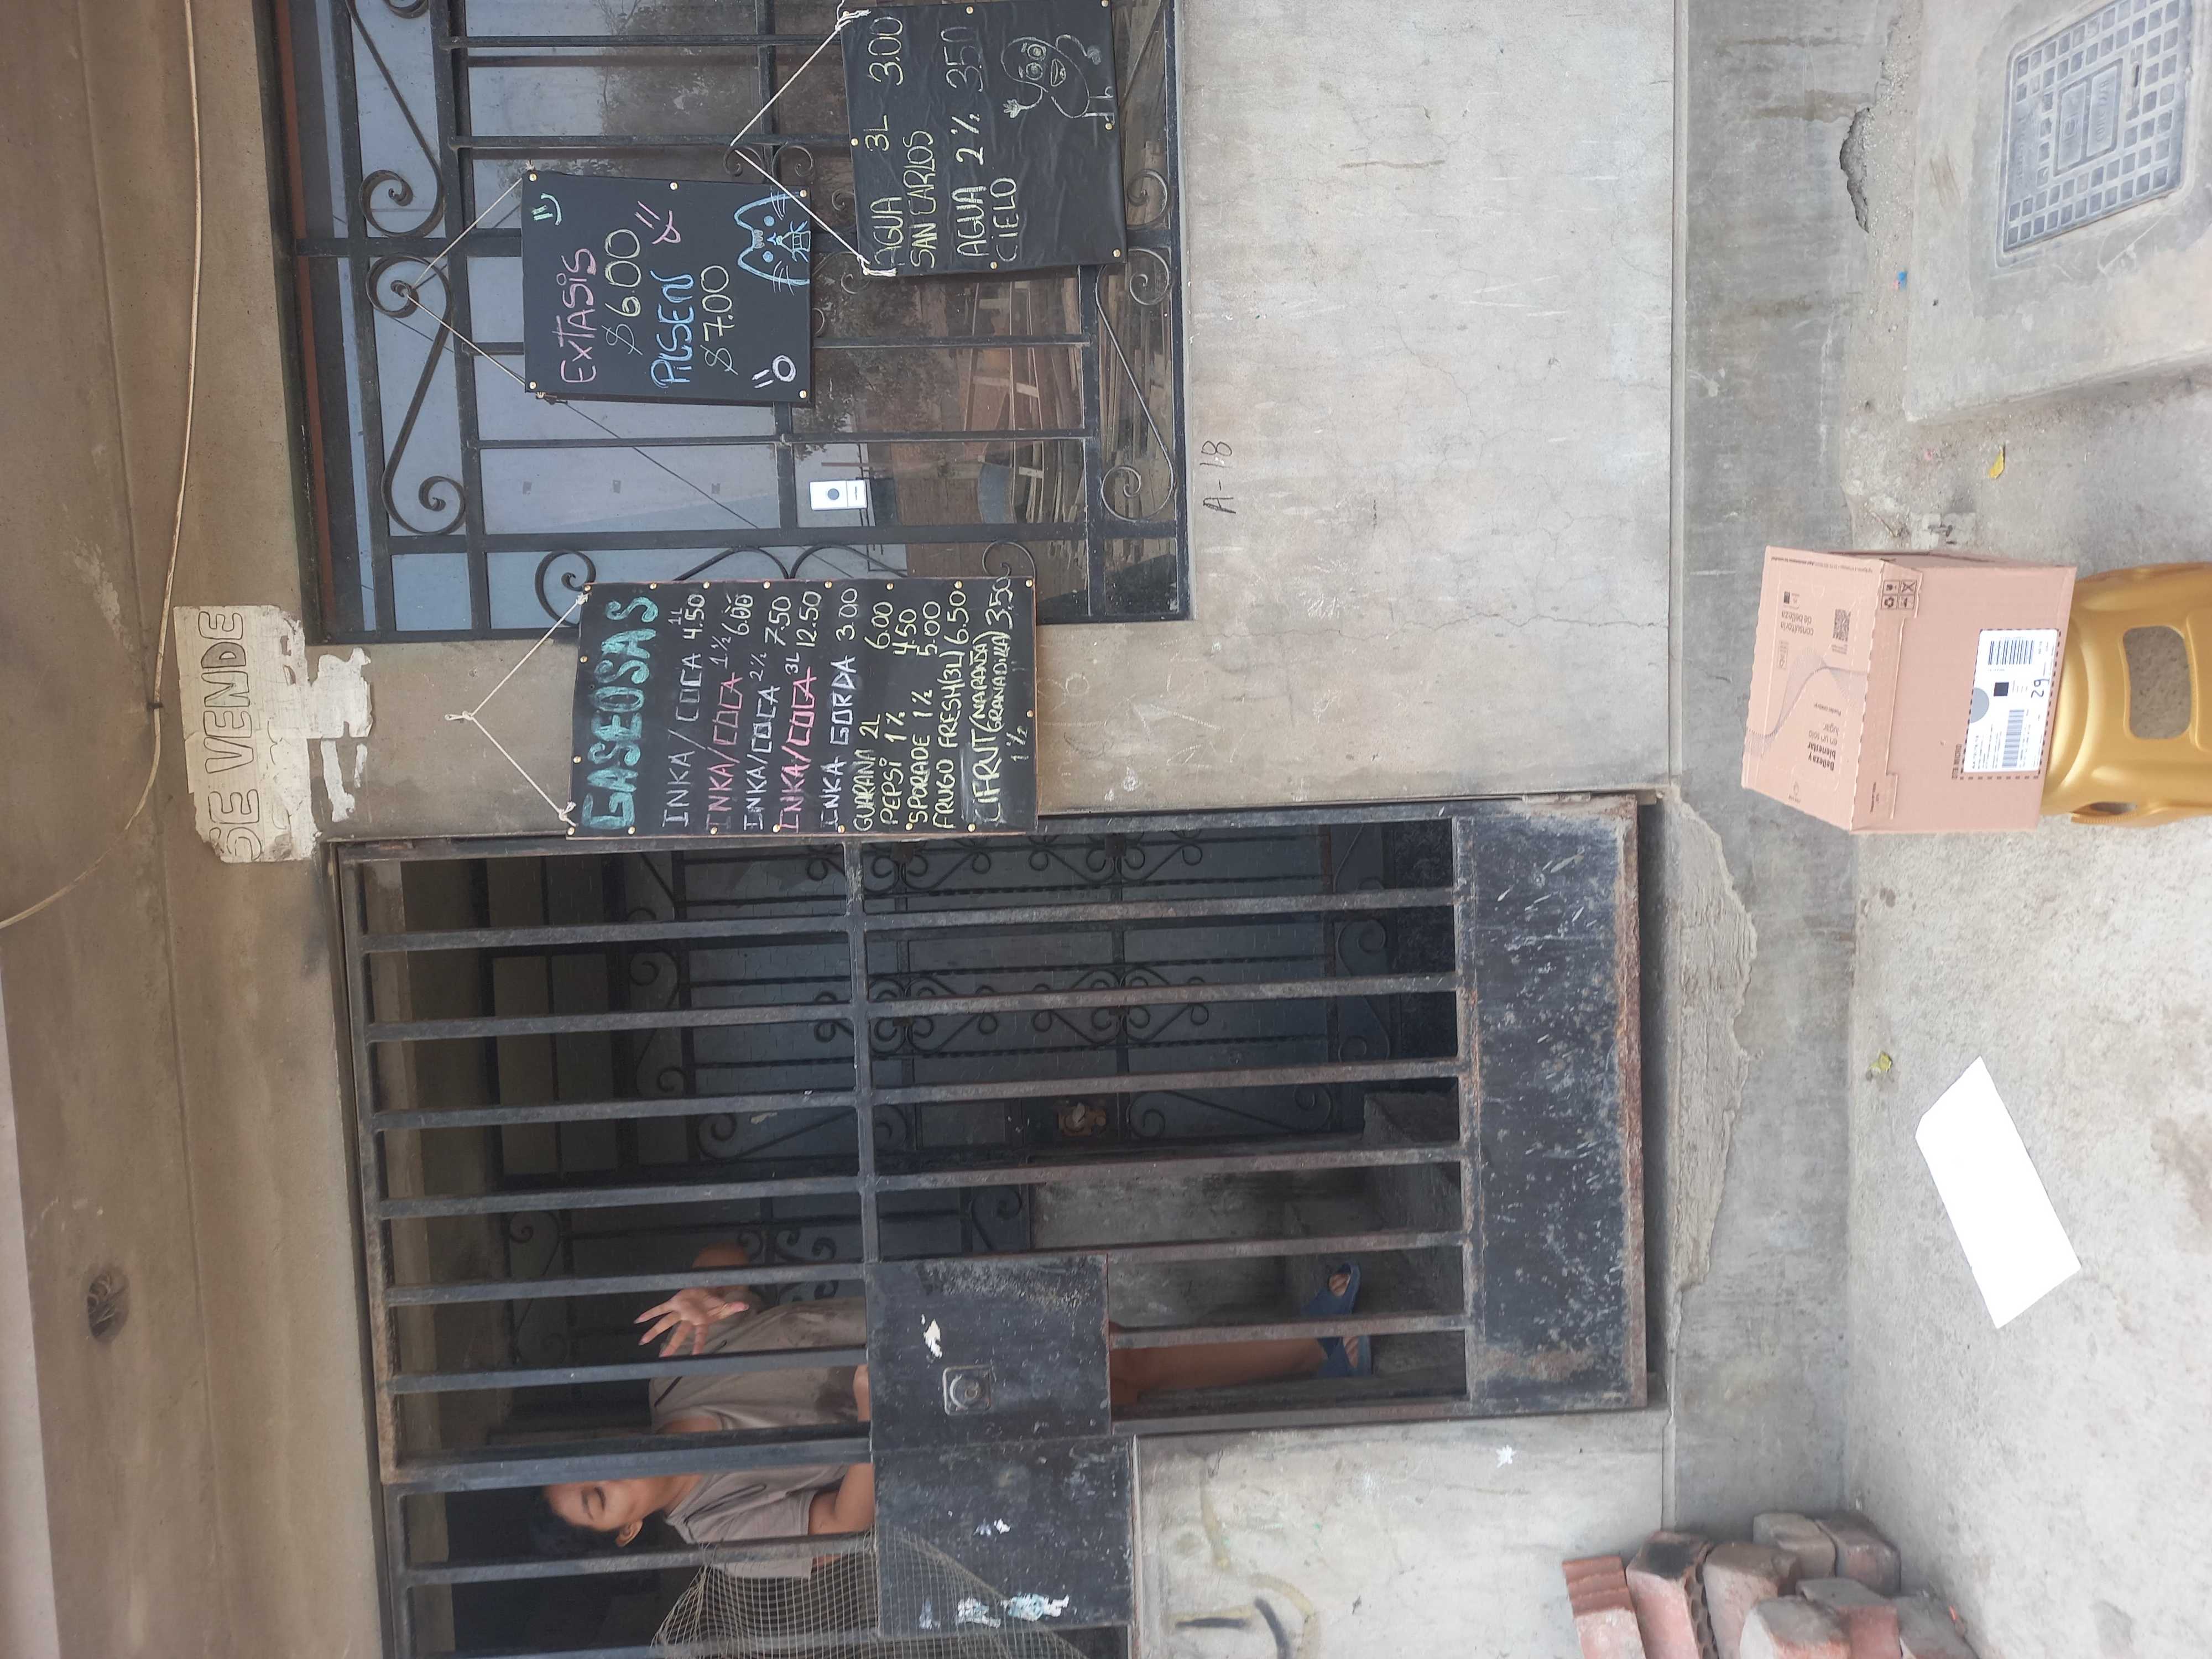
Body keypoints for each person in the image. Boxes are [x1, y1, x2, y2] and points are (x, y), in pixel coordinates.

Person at [538, 1243, 1371, 1569]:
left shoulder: (675, 1370)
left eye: (592, 1465)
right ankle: (1316, 1352)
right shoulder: (716, 1532)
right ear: (625, 1530)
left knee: (1115, 1354)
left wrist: (706, 1288)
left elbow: (734, 1266)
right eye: (598, 1497)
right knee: (1118, 1388)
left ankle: (1316, 1352)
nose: (613, 1473)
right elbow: (841, 1526)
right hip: (943, 1430)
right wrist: (874, 1422)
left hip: (931, 1324)